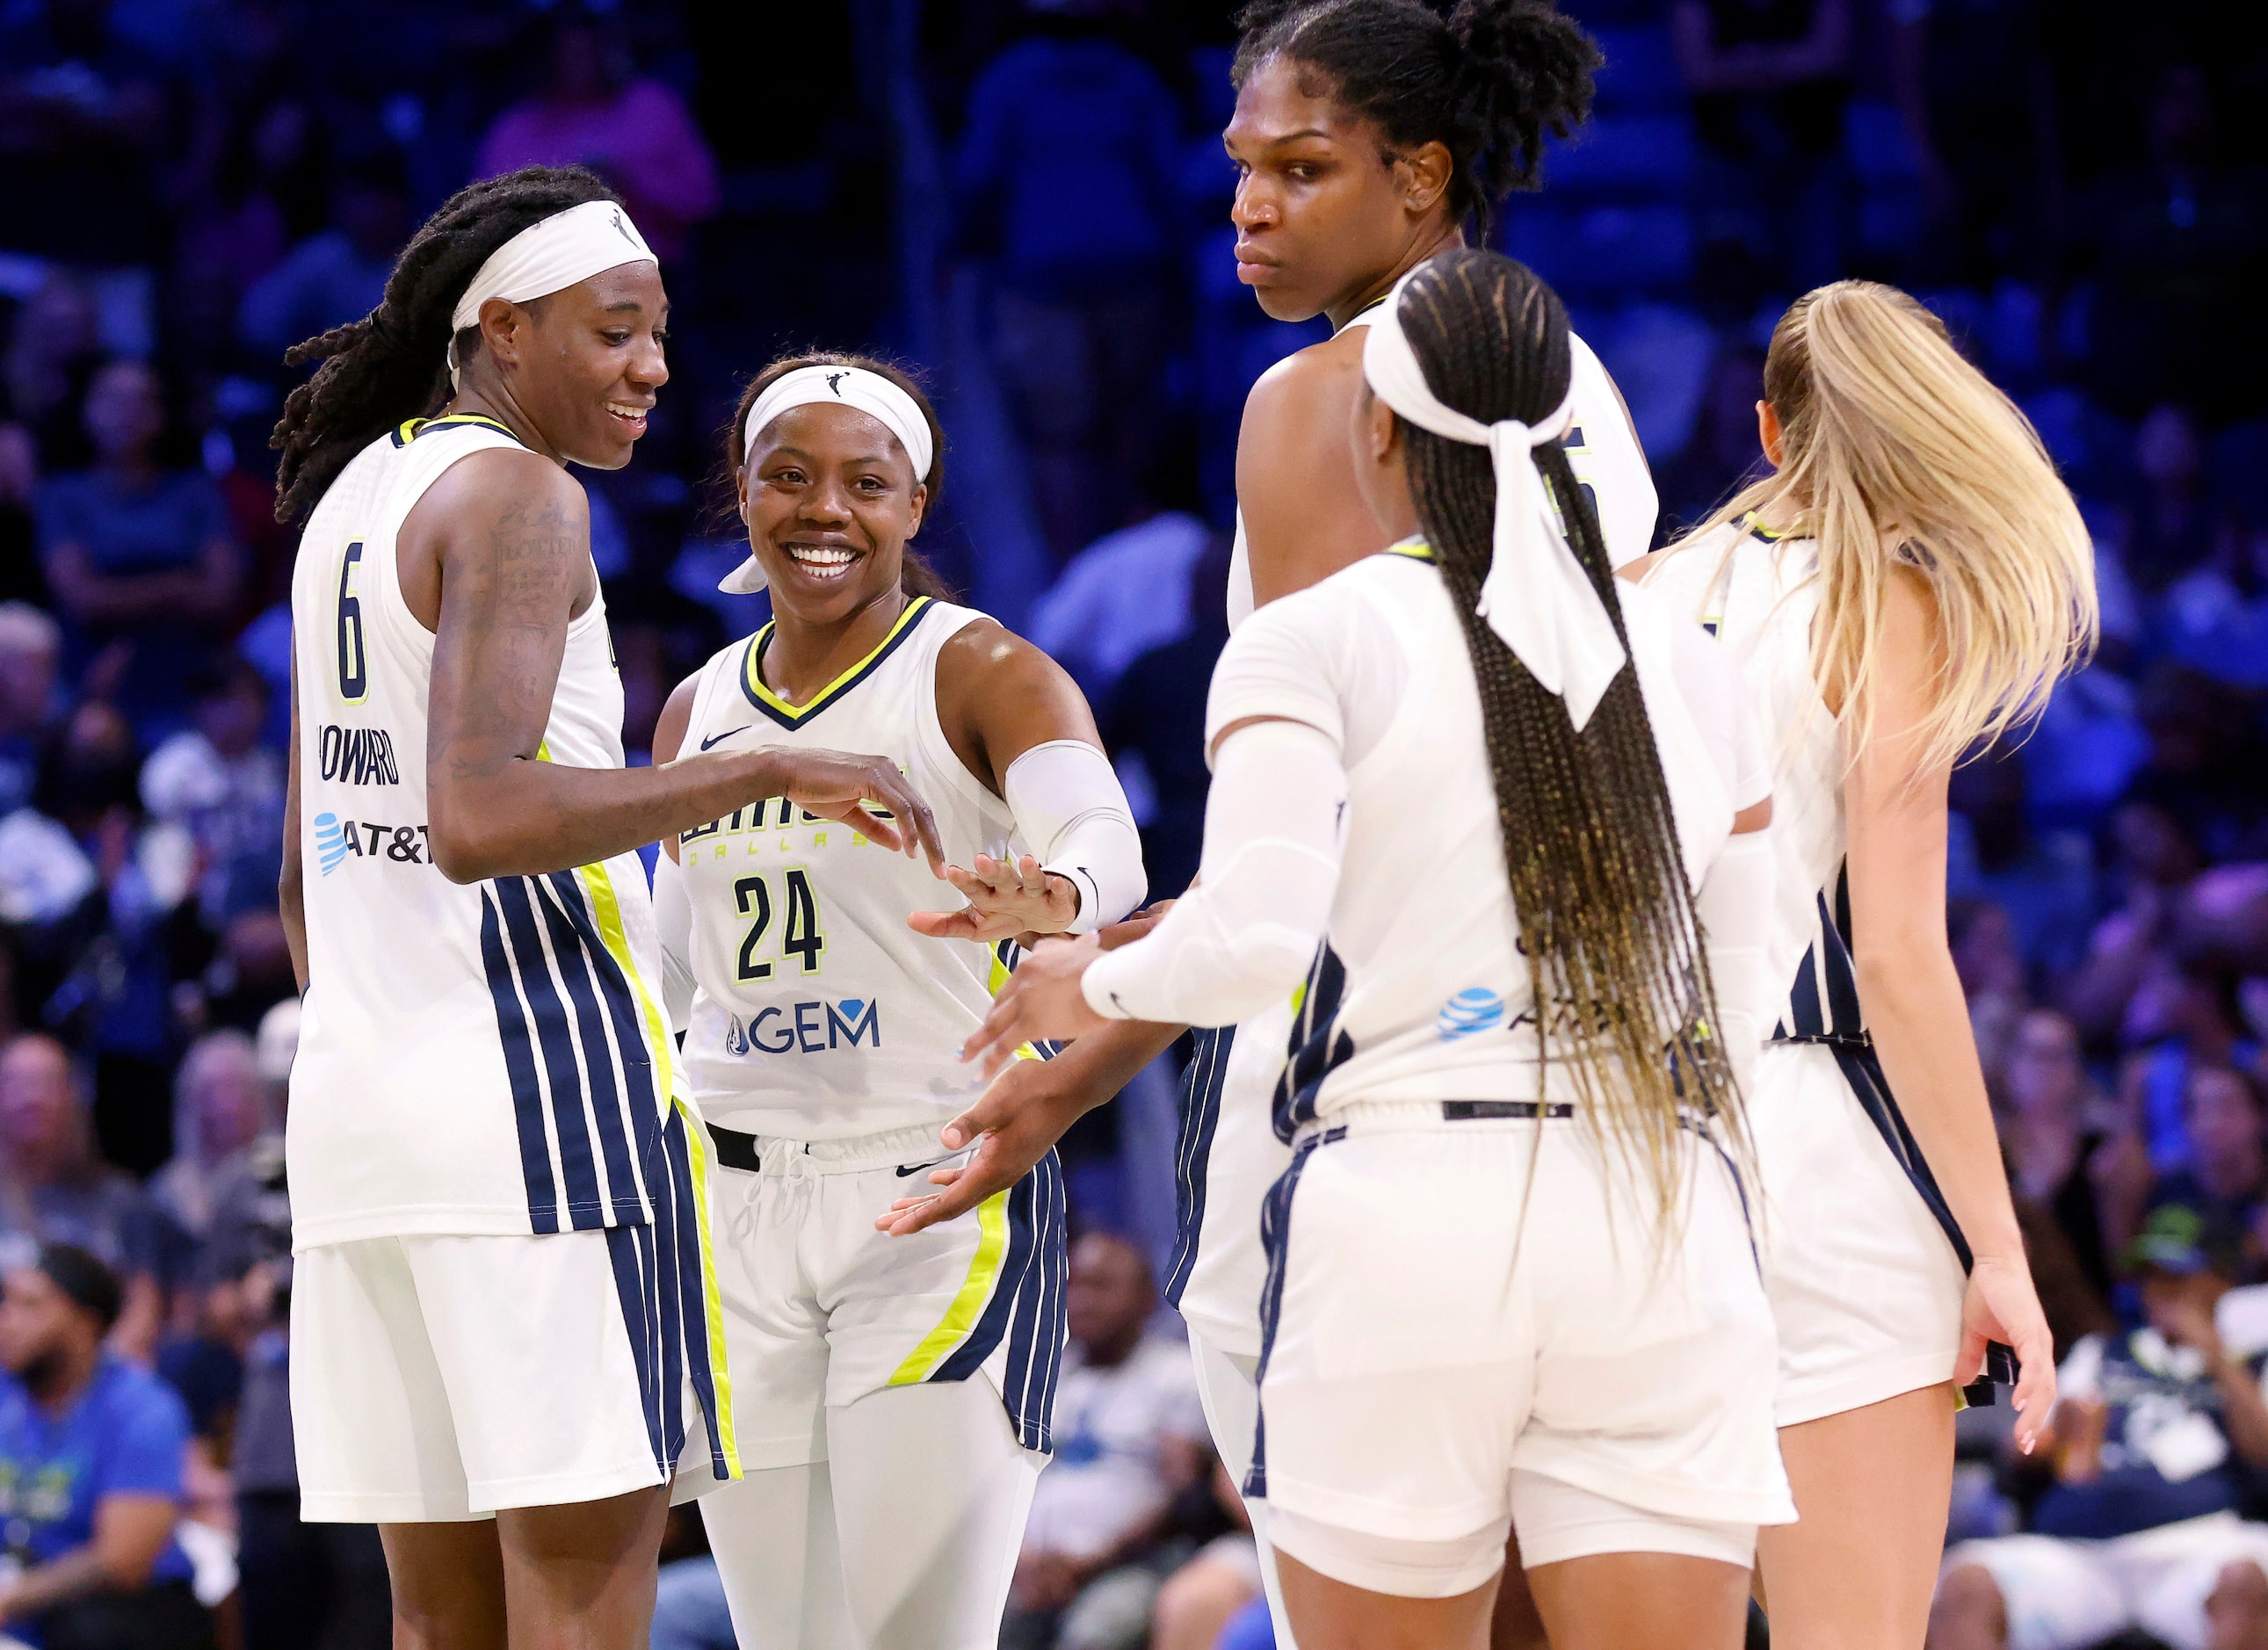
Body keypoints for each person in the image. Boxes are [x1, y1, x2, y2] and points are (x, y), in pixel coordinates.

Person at [883, 4, 1654, 1642]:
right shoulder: (1568, 378)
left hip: (1363, 1084)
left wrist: (1080, 1043)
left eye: (1301, 170)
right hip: (1599, 1077)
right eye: (1239, 170)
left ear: (1421, 174)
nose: (1249, 209)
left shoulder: (1322, 400)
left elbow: (1300, 861)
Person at [967, 249, 1790, 1650]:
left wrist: (1080, 980)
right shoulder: (1693, 654)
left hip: (1405, 1203)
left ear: (1379, 431)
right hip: (1660, 1213)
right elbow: (1748, 978)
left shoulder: (1309, 639)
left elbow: (1249, 940)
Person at [266, 163, 946, 1648]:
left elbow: (305, 867)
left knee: (440, 1621)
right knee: (578, 1601)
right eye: (615, 330)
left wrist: (391, 1040)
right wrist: (755, 767)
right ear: (504, 329)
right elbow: (484, 814)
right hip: (537, 1110)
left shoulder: (354, 498)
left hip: (364, 1119)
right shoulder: (516, 491)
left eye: (658, 332)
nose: (652, 367)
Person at [648, 349, 1145, 1648]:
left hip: (935, 1195)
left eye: (865, 483)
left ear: (914, 504)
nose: (825, 511)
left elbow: (1105, 836)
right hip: (736, 1209)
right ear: (742, 493)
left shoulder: (979, 669)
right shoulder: (698, 706)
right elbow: (673, 966)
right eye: (789, 478)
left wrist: (1059, 896)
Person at [1638, 279, 2097, 1647]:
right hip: (1813, 1158)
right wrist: (2001, 1250)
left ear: (1769, 432)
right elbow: (1898, 956)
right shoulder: (1886, 606)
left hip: (1619, 1146)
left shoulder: (1633, 593)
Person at [1931, 1205, 2268, 1650]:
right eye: (2149, 1277)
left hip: (2198, 1543)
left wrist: (2213, 1350)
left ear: (2221, 1280)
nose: (2160, 1292)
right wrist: (2057, 1439)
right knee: (1967, 1585)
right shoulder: (2099, 1354)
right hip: (2079, 1550)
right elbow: (2022, 1456)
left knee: (2248, 1580)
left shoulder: (2250, 1358)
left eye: (2177, 1277)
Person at [0, 1244, 213, 1648]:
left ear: (85, 1323)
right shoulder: (7, 1392)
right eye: (6, 1302)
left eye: (30, 1305)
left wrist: (12, 1597)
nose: (6, 1321)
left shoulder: (142, 1408)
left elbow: (121, 1561)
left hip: (121, 1612)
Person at [1004, 1234, 1209, 1650]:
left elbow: (1179, 1497)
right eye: (1074, 1284)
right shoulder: (1045, 1375)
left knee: (1095, 1633)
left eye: (1100, 1286)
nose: (1082, 1301)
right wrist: (1024, 1559)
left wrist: (1090, 1564)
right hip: (1032, 1567)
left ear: (1146, 1297)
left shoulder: (1176, 1377)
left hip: (1135, 1564)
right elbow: (1006, 1476)